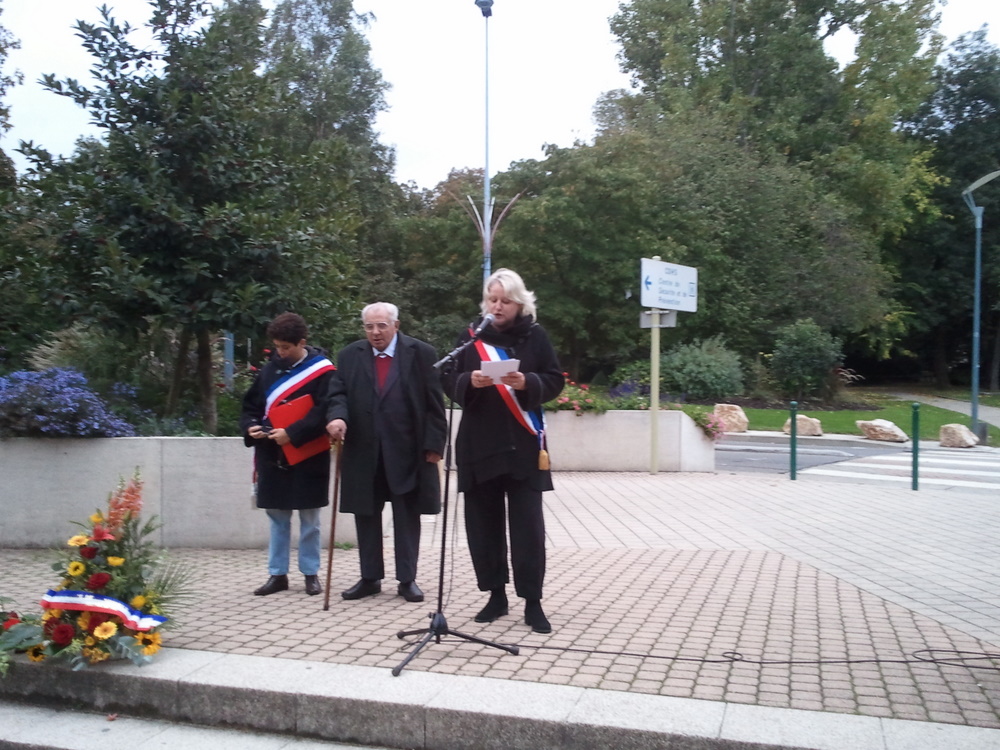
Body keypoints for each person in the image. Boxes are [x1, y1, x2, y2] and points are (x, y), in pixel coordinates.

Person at [442, 268, 565, 633]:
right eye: (492, 299)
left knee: (528, 529)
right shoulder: (471, 336)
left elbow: (555, 379)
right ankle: (495, 595)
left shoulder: (535, 336)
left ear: (519, 303)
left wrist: (528, 382)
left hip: (523, 447)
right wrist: (470, 381)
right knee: (483, 527)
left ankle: (532, 601)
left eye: (505, 301)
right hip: (480, 444)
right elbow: (446, 377)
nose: (497, 306)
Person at [325, 302, 447, 603]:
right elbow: (338, 394)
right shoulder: (350, 355)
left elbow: (434, 404)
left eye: (381, 325)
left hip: (407, 451)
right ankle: (370, 578)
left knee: (407, 516)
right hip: (363, 451)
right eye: (369, 327)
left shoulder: (421, 353)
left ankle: (407, 579)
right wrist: (337, 417)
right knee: (366, 515)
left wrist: (434, 445)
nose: (375, 332)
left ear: (396, 325)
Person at [240, 312, 336, 597]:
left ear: (302, 343)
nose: (280, 352)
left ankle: (310, 573)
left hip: (308, 453)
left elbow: (323, 411)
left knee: (310, 520)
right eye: (277, 347)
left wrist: (292, 433)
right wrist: (251, 427)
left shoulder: (323, 371)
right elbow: (251, 407)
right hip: (272, 453)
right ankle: (277, 574)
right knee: (277, 518)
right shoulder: (268, 371)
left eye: (285, 347)